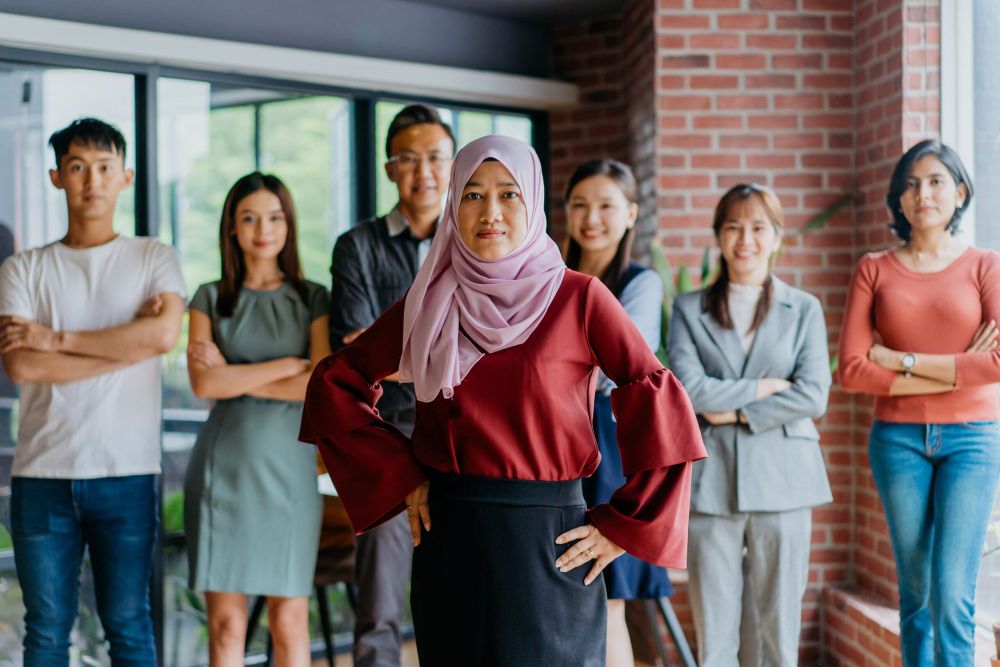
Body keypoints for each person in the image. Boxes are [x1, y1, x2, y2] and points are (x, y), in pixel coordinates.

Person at [300, 135, 706, 666]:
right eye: (471, 194)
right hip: (450, 539)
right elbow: (337, 381)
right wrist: (402, 477)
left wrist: (624, 525)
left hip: (551, 546)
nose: (489, 211)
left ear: (532, 200)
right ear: (453, 205)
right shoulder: (428, 302)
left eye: (508, 194)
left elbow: (657, 395)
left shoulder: (579, 297)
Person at [0, 117, 186, 665]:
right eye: (78, 167)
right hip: (42, 475)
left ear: (125, 177)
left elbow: (162, 336)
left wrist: (54, 339)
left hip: (126, 472)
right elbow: (23, 367)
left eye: (105, 168)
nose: (92, 181)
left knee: (128, 625)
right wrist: (125, 345)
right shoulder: (23, 268)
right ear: (57, 177)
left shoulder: (155, 258)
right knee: (47, 631)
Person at [838, 140, 1000, 667]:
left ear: (959, 192)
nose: (922, 192)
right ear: (899, 202)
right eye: (910, 184)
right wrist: (956, 368)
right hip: (898, 443)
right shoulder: (875, 269)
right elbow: (853, 369)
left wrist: (902, 360)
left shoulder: (985, 266)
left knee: (953, 594)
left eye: (934, 181)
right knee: (917, 598)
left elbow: (998, 363)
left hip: (972, 439)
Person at [668, 183, 833, 667]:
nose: (746, 239)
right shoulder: (687, 308)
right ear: (718, 236)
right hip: (710, 483)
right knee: (715, 629)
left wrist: (734, 409)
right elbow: (688, 390)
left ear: (777, 237)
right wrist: (763, 389)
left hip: (785, 481)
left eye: (759, 227)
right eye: (733, 227)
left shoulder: (804, 309)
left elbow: (812, 394)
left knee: (778, 629)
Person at [184, 172, 331, 666]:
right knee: (226, 626)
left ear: (288, 223)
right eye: (248, 218)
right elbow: (204, 385)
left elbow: (318, 383)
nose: (262, 228)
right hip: (221, 472)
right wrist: (284, 368)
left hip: (289, 473)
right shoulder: (208, 296)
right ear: (231, 228)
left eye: (273, 217)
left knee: (288, 624)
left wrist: (236, 375)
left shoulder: (313, 297)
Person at [327, 103, 454, 667]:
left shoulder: (474, 240)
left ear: (454, 166)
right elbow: (356, 349)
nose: (422, 171)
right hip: (393, 434)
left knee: (464, 581)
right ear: (388, 169)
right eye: (408, 159)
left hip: (467, 434)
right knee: (380, 591)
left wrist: (402, 355)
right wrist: (450, 353)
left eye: (434, 158)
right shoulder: (359, 245)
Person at [563, 158, 670, 667]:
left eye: (606, 206)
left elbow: (623, 364)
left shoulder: (641, 282)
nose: (592, 218)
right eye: (580, 205)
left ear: (630, 214)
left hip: (608, 444)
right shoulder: (549, 276)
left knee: (607, 598)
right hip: (552, 440)